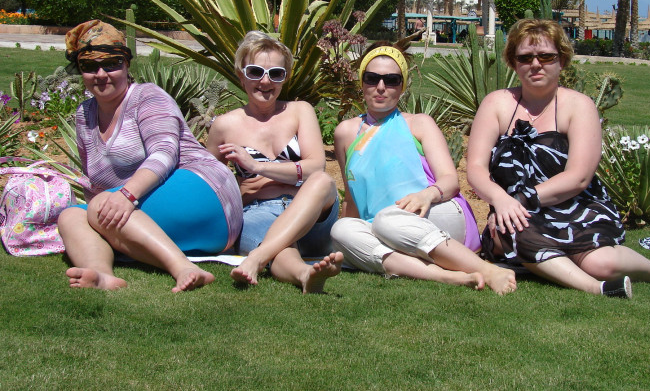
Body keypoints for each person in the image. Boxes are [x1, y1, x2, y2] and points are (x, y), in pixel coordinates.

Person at [466, 19, 650, 298]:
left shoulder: (579, 106)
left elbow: (579, 177)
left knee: (602, 263)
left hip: (576, 207)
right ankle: (596, 288)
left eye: (546, 56)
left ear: (562, 60)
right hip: (515, 212)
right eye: (525, 58)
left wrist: (521, 199)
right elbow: (476, 168)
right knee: (514, 229)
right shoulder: (497, 103)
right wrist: (501, 200)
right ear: (514, 63)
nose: (535, 64)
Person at [58, 20, 242, 292]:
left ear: (126, 64)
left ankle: (184, 268)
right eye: (89, 66)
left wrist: (125, 196)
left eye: (111, 64)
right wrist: (98, 218)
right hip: (151, 212)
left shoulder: (147, 96)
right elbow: (94, 182)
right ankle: (100, 274)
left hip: (206, 194)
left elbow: (164, 153)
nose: (101, 74)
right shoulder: (84, 115)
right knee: (71, 216)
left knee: (100, 206)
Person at [330, 41, 517, 294]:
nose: (381, 87)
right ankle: (444, 276)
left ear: (402, 86)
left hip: (432, 213)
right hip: (382, 227)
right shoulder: (345, 133)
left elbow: (450, 181)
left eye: (392, 80)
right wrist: (348, 239)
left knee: (387, 219)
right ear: (362, 82)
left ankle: (487, 270)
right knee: (341, 229)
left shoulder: (419, 124)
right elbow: (352, 198)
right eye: (372, 78)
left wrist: (426, 195)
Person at [206, 31, 342, 293]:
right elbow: (208, 181)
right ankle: (305, 275)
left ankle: (257, 258)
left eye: (276, 73)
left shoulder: (300, 110)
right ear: (241, 75)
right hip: (259, 212)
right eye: (255, 72)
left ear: (285, 77)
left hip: (311, 214)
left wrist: (257, 167)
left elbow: (316, 167)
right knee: (280, 246)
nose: (265, 81)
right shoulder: (224, 125)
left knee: (323, 181)